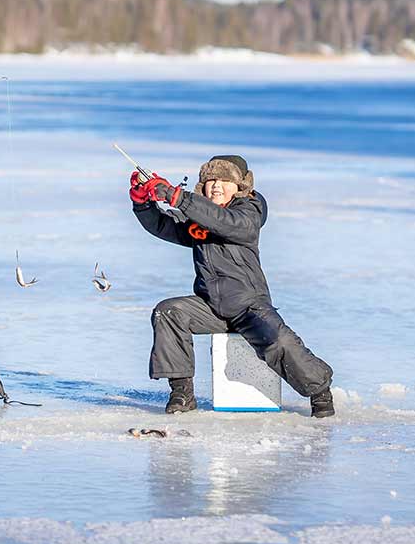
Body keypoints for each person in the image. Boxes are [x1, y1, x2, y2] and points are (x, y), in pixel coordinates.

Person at [130, 155, 335, 418]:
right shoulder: (199, 217)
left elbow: (229, 223)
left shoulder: (250, 208)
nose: (216, 186)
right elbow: (164, 225)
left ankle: (319, 391)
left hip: (249, 306)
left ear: (240, 186)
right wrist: (142, 203)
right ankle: (182, 392)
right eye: (210, 180)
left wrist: (177, 197)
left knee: (280, 341)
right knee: (169, 312)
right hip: (211, 307)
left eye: (224, 180)